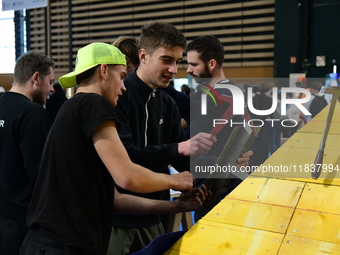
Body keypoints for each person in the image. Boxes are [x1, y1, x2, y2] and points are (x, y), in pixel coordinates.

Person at [19, 42, 202, 255]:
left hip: (49, 243)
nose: (124, 87)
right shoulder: (93, 103)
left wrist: (173, 206)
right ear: (104, 70)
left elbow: (116, 199)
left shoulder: (74, 107)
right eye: (122, 76)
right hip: (59, 245)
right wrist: (175, 180)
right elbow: (127, 176)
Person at [108, 22, 217, 255]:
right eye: (166, 60)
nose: (173, 69)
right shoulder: (118, 97)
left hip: (155, 215)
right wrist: (179, 148)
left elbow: (182, 163)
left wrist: (219, 164)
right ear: (143, 56)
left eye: (178, 61)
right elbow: (127, 158)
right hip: (118, 219)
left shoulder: (166, 103)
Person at [185, 35, 253, 221]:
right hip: (233, 185)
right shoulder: (236, 93)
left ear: (212, 64)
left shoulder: (212, 100)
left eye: (194, 64)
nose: (188, 70)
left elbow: (183, 144)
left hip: (212, 191)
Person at [0, 51, 55, 255]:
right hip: (21, 220)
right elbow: (41, 171)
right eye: (50, 81)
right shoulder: (33, 113)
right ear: (36, 78)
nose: (51, 89)